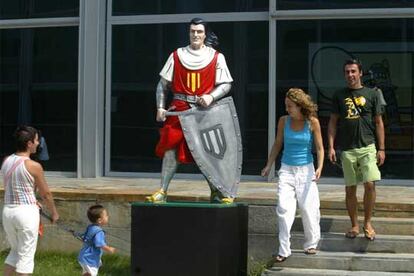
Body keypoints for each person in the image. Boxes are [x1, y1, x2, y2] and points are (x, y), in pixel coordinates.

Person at [145, 17, 234, 204]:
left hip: (204, 112)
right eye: (193, 31)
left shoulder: (217, 57)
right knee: (171, 150)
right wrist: (160, 107)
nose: (196, 35)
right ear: (189, 32)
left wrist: (211, 96)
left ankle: (217, 191)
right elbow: (162, 85)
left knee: (209, 152)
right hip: (179, 110)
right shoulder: (177, 55)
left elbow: (226, 84)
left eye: (199, 31)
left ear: (205, 34)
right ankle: (162, 190)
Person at [261, 88, 324, 262]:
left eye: (290, 106)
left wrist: (319, 167)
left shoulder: (312, 122)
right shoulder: (283, 121)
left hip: (306, 169)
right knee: (283, 208)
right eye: (286, 106)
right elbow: (277, 144)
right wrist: (269, 165)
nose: (287, 109)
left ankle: (311, 243)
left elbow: (319, 148)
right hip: (287, 169)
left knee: (308, 207)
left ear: (299, 105)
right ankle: (284, 249)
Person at [328, 59, 385, 241]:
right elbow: (333, 122)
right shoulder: (339, 95)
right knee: (350, 189)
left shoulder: (372, 94)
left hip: (368, 146)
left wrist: (382, 148)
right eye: (347, 72)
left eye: (353, 71)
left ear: (360, 73)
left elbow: (378, 122)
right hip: (347, 148)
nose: (350, 75)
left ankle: (367, 223)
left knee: (369, 184)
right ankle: (354, 224)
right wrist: (331, 146)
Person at [1, 125, 59, 276]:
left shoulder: (6, 161)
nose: (38, 143)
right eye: (36, 140)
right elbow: (45, 193)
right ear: (29, 143)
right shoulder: (34, 166)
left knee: (15, 252)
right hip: (26, 213)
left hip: (8, 211)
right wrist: (54, 213)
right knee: (26, 257)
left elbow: (17, 185)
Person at [78, 204, 116, 276]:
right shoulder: (99, 232)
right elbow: (99, 243)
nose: (108, 216)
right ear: (100, 220)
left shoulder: (90, 227)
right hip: (90, 258)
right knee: (92, 274)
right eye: (106, 215)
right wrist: (109, 249)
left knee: (87, 274)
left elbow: (85, 237)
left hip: (84, 255)